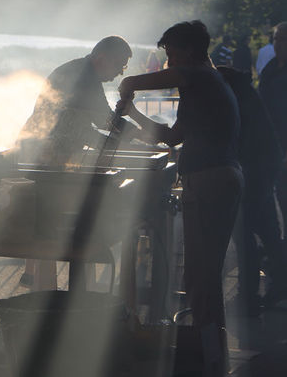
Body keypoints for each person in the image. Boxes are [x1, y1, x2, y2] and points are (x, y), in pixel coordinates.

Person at [118, 21, 242, 377]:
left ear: (189, 51)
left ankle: (206, 359)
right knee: (203, 276)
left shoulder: (201, 76)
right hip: (217, 178)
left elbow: (164, 79)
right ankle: (212, 352)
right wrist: (134, 115)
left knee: (200, 277)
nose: (169, 62)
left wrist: (130, 84)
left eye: (171, 54)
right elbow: (171, 138)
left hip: (209, 180)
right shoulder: (201, 89)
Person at [217, 65, 287, 314]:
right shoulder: (242, 88)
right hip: (265, 163)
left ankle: (248, 296)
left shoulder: (227, 93)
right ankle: (279, 282)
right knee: (266, 228)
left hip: (254, 168)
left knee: (244, 230)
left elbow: (231, 135)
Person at [16, 36, 139, 167]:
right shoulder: (82, 78)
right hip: (38, 153)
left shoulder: (86, 72)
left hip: (40, 148)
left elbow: (103, 120)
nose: (120, 72)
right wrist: (134, 137)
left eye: (123, 67)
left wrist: (133, 135)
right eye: (118, 65)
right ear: (102, 59)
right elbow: (103, 120)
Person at [258, 22, 287, 241]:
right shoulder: (270, 69)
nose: (278, 44)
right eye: (276, 39)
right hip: (271, 146)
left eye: (283, 39)